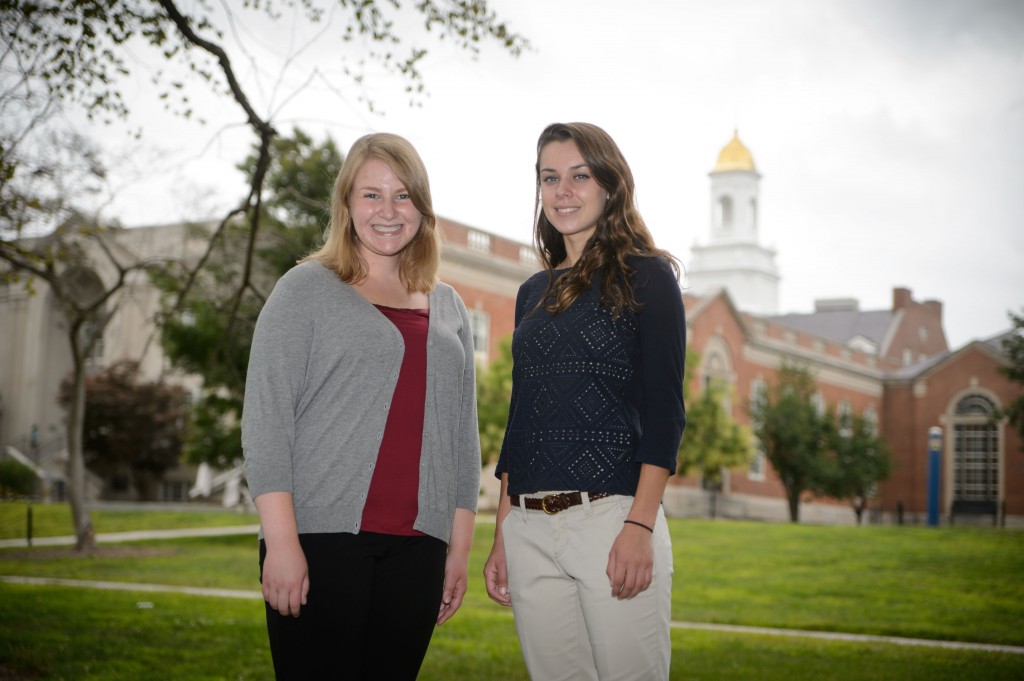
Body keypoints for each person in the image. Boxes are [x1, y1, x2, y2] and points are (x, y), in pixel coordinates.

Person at [242, 132, 481, 680]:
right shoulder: (305, 290)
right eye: (372, 195)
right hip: (319, 542)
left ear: (422, 207)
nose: (389, 211)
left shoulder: (449, 307)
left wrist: (457, 552)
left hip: (420, 551)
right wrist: (281, 544)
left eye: (403, 195)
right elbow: (267, 424)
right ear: (347, 204)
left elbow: (463, 443)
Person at [484, 122, 686, 681]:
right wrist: (502, 534)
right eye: (551, 178)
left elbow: (666, 412)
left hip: (611, 519)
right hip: (527, 527)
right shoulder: (532, 291)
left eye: (580, 176)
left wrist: (640, 527)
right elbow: (520, 423)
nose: (563, 191)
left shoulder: (647, 277)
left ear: (609, 185)